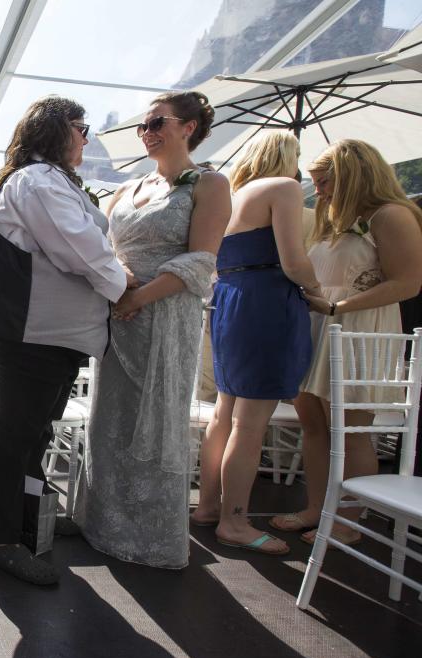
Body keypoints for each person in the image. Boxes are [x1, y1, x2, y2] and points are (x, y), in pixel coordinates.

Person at [0, 96, 127, 585]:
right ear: (56, 130)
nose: (86, 137)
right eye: (81, 127)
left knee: (34, 433)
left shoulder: (48, 180)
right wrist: (126, 289)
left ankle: (26, 515)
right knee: (16, 434)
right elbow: (81, 249)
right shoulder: (36, 182)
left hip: (52, 335)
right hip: (32, 333)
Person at [74, 91, 231, 569]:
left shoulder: (210, 184)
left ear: (189, 127)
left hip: (164, 318)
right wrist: (116, 286)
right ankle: (99, 522)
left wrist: (137, 297)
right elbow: (103, 249)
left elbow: (202, 260)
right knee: (109, 422)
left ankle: (151, 538)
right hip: (117, 318)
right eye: (144, 126)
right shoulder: (125, 189)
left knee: (156, 421)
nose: (148, 133)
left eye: (158, 122)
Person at [269, 139, 422, 544]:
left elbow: (408, 282)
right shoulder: (335, 219)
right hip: (320, 324)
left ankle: (348, 519)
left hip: (357, 329)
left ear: (352, 176)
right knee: (313, 426)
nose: (317, 191)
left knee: (351, 429)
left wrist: (340, 308)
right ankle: (316, 509)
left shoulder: (393, 215)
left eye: (324, 182)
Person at [192, 131, 319, 555]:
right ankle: (235, 522)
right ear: (287, 156)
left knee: (223, 414)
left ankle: (208, 507)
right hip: (266, 302)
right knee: (250, 423)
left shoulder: (231, 194)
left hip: (230, 300)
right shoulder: (282, 188)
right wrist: (318, 293)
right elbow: (294, 261)